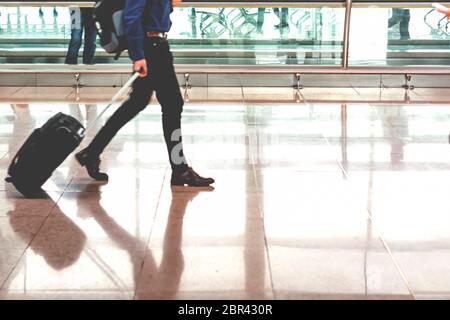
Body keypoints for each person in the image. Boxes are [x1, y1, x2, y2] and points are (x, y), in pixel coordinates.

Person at [75, 0, 215, 187]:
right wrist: (138, 56)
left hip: (155, 45)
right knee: (173, 105)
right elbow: (131, 16)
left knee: (136, 103)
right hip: (151, 49)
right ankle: (180, 170)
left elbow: (159, 11)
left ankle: (91, 153)